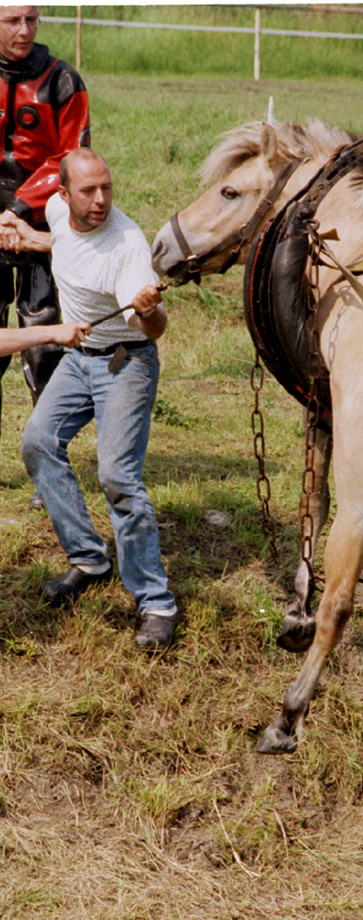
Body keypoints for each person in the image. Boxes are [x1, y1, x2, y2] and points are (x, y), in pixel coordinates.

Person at [20, 147, 179, 652]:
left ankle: (156, 602)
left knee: (117, 477)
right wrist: (30, 239)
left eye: (107, 187)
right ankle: (89, 558)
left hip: (126, 361)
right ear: (62, 194)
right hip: (79, 356)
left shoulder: (128, 245)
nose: (101, 199)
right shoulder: (55, 214)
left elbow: (154, 330)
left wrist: (151, 311)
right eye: (88, 191)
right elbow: (65, 242)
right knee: (38, 444)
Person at [0, 6, 90, 453]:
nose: (24, 30)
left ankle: (48, 455)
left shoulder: (63, 81)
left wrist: (18, 207)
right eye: (12, 21)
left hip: (41, 222)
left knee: (45, 339)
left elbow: (70, 158)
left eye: (31, 20)